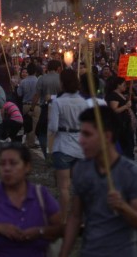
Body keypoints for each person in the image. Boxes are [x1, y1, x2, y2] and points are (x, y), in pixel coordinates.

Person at [59, 106, 137, 257]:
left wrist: (123, 207)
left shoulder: (132, 173)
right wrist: (64, 252)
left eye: (87, 134)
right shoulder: (81, 169)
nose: (81, 141)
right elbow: (75, 216)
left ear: (107, 136)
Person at [0, 143, 63, 256]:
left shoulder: (41, 195)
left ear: (27, 167)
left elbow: (60, 229)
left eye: (13, 163)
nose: (7, 168)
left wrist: (39, 232)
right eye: (2, 164)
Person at [48, 69, 88, 220]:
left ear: (62, 83)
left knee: (63, 187)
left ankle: (63, 218)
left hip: (63, 144)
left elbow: (53, 127)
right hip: (80, 146)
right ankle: (80, 218)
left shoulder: (58, 102)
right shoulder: (83, 102)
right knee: (79, 187)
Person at [30, 60, 62, 159]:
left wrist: (32, 107)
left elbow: (37, 95)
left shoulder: (42, 79)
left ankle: (47, 152)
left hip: (46, 107)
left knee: (41, 132)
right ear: (58, 68)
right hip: (60, 107)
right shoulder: (61, 78)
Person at [105, 76, 135, 159]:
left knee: (128, 144)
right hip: (119, 125)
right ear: (118, 85)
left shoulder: (121, 94)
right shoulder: (113, 96)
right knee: (124, 144)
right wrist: (126, 106)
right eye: (123, 84)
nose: (125, 86)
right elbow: (114, 110)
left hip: (125, 124)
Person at [18, 63, 39, 148]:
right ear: (35, 71)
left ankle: (27, 141)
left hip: (25, 105)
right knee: (33, 126)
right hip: (36, 105)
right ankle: (31, 143)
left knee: (26, 124)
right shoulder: (38, 81)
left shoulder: (23, 82)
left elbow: (19, 94)